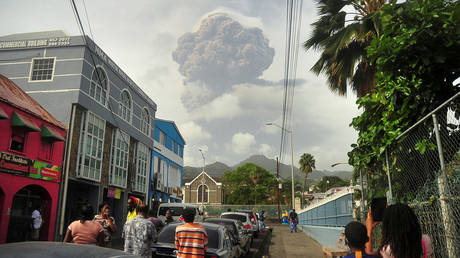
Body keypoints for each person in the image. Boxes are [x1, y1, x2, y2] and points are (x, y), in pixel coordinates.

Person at [365, 203, 432, 258]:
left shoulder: (388, 250)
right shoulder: (425, 241)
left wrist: (369, 229)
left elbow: (369, 255)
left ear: (389, 227)